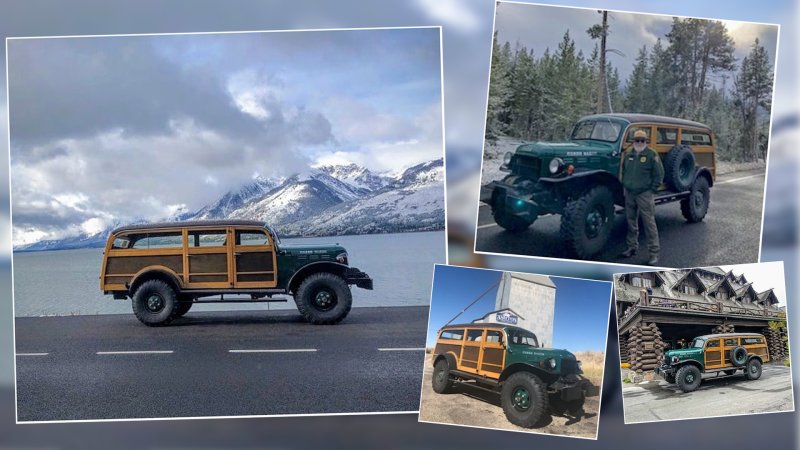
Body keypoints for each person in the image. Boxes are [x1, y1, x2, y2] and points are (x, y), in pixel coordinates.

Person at [619, 129, 664, 265]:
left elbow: (659, 174)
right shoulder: (628, 154)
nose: (639, 142)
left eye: (642, 140)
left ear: (646, 142)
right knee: (631, 222)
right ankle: (632, 247)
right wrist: (624, 185)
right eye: (637, 140)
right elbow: (623, 170)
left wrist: (652, 190)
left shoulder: (651, 154)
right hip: (630, 193)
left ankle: (653, 253)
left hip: (644, 194)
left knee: (649, 224)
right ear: (633, 141)